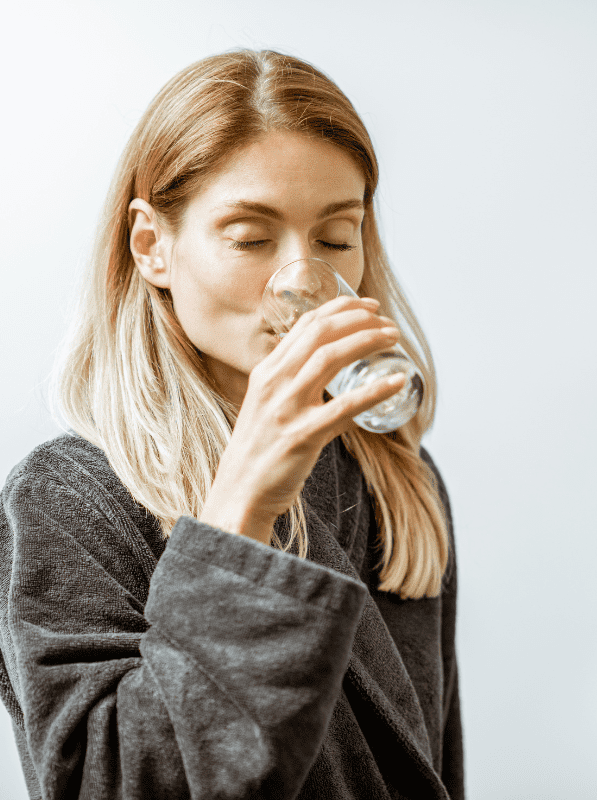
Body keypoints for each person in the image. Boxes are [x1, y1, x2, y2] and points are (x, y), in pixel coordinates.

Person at [0, 49, 462, 799]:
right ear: (152, 245)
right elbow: (118, 784)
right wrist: (239, 512)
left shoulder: (392, 476)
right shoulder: (70, 500)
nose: (299, 275)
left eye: (336, 238)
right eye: (251, 238)